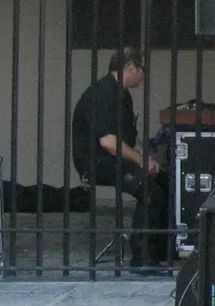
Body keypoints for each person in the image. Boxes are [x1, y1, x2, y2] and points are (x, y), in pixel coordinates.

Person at [71, 47, 172, 266]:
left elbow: (126, 136)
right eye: (142, 69)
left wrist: (145, 157)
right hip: (98, 162)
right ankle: (141, 257)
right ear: (130, 67)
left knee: (165, 182)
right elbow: (108, 142)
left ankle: (163, 249)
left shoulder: (121, 94)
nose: (144, 75)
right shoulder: (103, 94)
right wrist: (141, 161)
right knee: (149, 190)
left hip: (114, 158)